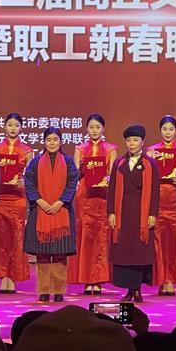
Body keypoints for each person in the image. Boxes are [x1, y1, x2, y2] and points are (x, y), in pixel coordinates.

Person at [24, 127, 78, 302]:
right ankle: (44, 290)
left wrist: (60, 202)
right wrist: (40, 201)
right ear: (44, 142)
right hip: (40, 211)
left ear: (61, 141)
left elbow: (72, 183)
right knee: (42, 255)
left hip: (62, 211)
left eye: (55, 140)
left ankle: (58, 290)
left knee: (60, 254)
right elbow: (29, 183)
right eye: (49, 140)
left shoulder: (68, 163)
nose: (52, 143)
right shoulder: (35, 163)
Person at [107, 124, 160, 302]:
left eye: (135, 140)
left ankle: (137, 289)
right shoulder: (119, 163)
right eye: (129, 140)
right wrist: (111, 212)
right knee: (125, 253)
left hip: (141, 214)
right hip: (123, 214)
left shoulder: (150, 164)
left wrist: (152, 214)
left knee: (139, 252)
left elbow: (155, 191)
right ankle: (129, 290)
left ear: (142, 142)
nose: (131, 143)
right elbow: (112, 189)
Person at [69, 113, 117, 296]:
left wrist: (106, 179)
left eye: (98, 127)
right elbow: (75, 175)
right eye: (91, 127)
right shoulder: (80, 149)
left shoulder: (111, 149)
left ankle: (98, 281)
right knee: (85, 237)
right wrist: (82, 168)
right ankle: (87, 280)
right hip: (85, 196)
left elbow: (112, 175)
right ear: (86, 129)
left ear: (103, 128)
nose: (94, 130)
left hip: (102, 197)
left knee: (101, 237)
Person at [146, 115, 176, 296]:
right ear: (160, 130)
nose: (167, 133)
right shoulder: (151, 151)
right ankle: (160, 279)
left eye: (171, 129)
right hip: (157, 200)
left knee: (174, 242)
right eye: (164, 129)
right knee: (157, 241)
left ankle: (171, 280)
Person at [0, 113, 32, 294]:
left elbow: (31, 175)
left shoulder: (27, 151)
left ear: (21, 127)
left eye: (16, 125)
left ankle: (12, 278)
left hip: (17, 200)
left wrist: (25, 181)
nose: (13, 128)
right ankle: (3, 276)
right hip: (0, 198)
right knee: (1, 239)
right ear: (4, 127)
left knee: (16, 238)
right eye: (10, 124)